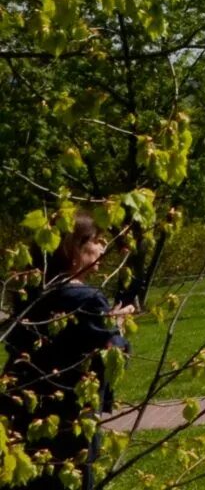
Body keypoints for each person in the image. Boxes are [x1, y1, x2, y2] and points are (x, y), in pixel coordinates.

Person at [5, 210, 133, 489]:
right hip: (70, 418)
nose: (103, 247)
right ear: (73, 247)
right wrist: (117, 328)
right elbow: (112, 360)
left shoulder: (31, 293)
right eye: (97, 239)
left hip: (22, 412)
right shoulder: (85, 298)